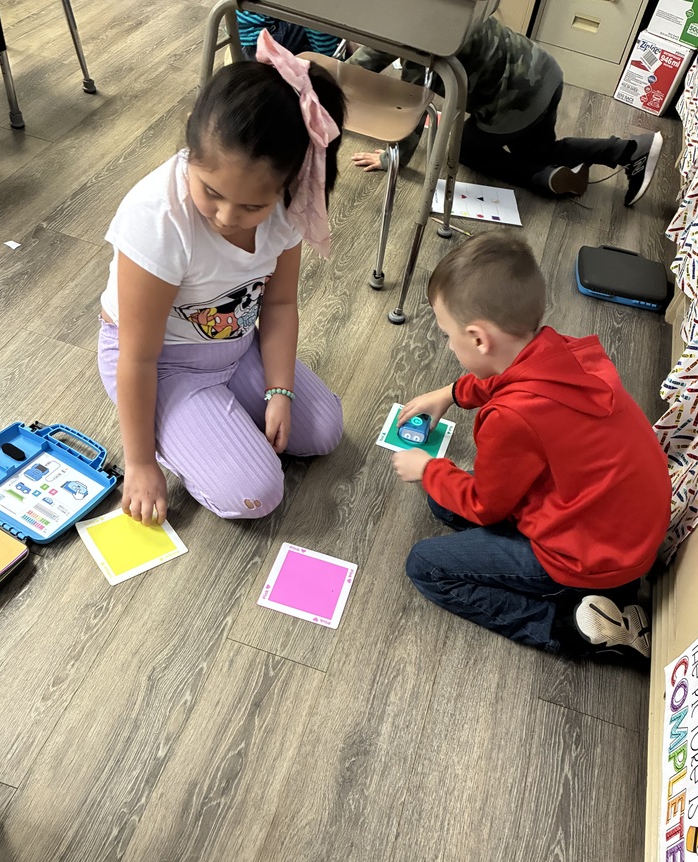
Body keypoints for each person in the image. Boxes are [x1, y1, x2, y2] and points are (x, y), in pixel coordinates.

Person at [97, 33, 346, 525]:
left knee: (324, 432)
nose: (227, 217)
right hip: (161, 365)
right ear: (191, 150)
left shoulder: (289, 207)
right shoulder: (158, 217)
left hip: (235, 347)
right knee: (255, 493)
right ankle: (183, 432)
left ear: (288, 183)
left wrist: (279, 391)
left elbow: (279, 305)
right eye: (211, 191)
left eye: (253, 205)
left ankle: (215, 419)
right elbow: (138, 355)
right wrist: (141, 463)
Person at [392, 231, 672, 660]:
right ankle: (606, 593)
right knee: (442, 501)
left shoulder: (511, 419)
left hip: (589, 560)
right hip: (625, 530)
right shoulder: (562, 350)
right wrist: (450, 393)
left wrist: (427, 469)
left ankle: (570, 627)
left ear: (478, 338)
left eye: (448, 335)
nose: (448, 344)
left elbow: (485, 506)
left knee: (426, 566)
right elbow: (510, 377)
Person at [349, 19, 662, 206]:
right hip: (544, 71)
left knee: (463, 149)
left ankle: (541, 177)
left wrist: (393, 158)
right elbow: (367, 59)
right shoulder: (445, 9)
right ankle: (629, 150)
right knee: (538, 151)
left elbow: (412, 102)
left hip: (515, 101)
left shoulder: (419, 39)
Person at [235, 11, 341, 60]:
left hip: (241, 34)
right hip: (265, 40)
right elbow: (315, 19)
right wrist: (328, 60)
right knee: (318, 13)